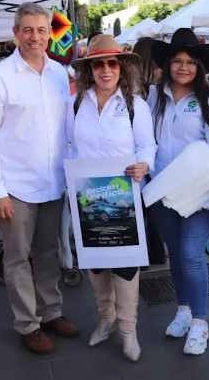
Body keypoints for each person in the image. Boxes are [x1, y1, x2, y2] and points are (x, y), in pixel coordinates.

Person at [0, 3, 79, 354]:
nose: (35, 37)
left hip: (53, 182)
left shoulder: (59, 74)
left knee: (49, 252)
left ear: (50, 33)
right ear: (16, 33)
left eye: (41, 30)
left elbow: (67, 128)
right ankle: (28, 324)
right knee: (17, 258)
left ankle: (51, 312)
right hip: (15, 187)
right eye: (28, 30)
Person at [66, 35, 156, 361]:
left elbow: (147, 146)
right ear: (89, 69)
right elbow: (68, 146)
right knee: (96, 264)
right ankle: (105, 320)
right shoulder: (76, 104)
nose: (105, 70)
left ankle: (128, 331)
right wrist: (70, 181)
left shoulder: (135, 106)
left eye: (112, 63)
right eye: (98, 64)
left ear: (121, 67)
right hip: (87, 197)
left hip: (124, 198)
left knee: (126, 265)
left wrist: (144, 164)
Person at [146, 28, 209, 355]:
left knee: (192, 253)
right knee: (176, 253)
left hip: (198, 192)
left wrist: (190, 168)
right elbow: (145, 140)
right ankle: (183, 309)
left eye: (190, 62)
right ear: (168, 64)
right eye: (178, 61)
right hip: (161, 191)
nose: (184, 67)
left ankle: (200, 322)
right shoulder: (153, 98)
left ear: (199, 67)